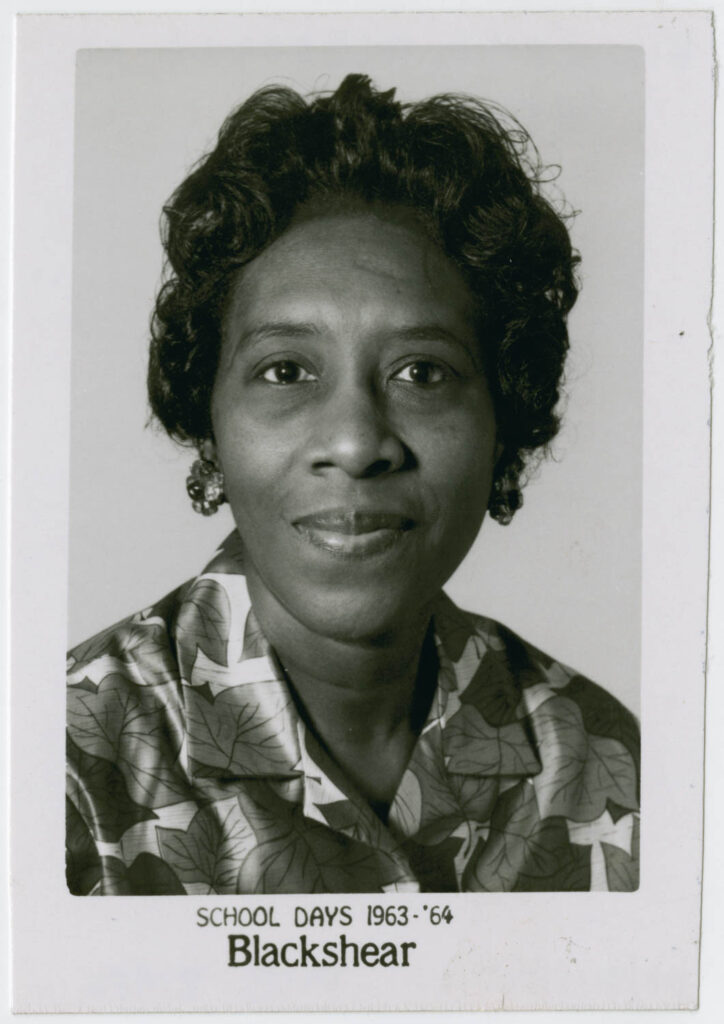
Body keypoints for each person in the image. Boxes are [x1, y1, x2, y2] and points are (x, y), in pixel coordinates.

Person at [66, 74, 639, 895]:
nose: (357, 441)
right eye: (287, 369)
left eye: (422, 371)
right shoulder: (57, 769)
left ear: (502, 417)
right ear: (210, 417)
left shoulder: (606, 757)